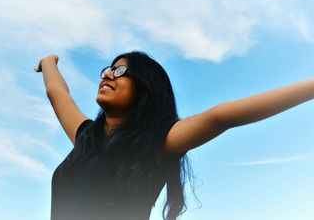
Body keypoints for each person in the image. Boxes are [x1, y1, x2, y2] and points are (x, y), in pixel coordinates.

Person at [34, 51, 313, 220]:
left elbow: (223, 117)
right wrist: (49, 61)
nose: (108, 75)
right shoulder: (87, 138)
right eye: (107, 69)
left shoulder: (158, 141)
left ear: (146, 88)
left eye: (120, 71)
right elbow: (56, 92)